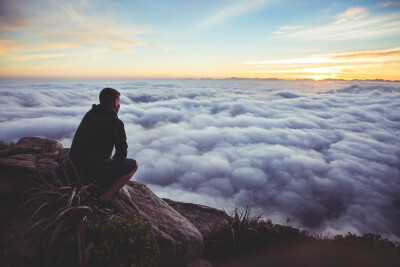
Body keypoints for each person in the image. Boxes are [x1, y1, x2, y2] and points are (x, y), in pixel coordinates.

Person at [69, 87, 138, 203]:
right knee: (133, 165)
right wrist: (110, 163)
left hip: (73, 170)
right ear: (116, 104)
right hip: (92, 175)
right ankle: (103, 198)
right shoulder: (116, 122)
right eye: (119, 103)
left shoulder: (89, 114)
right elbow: (122, 155)